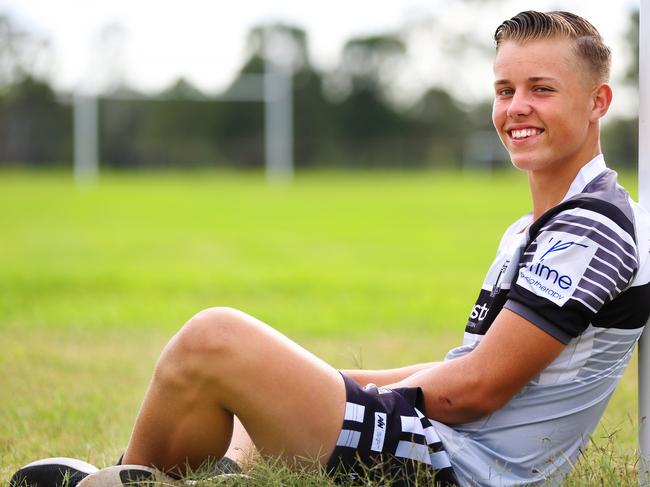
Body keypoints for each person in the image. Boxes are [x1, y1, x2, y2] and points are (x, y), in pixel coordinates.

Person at [11, 10, 650, 487]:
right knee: (242, 409)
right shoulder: (538, 226)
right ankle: (169, 476)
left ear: (598, 102)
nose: (517, 108)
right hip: (450, 445)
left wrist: (338, 399)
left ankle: (125, 476)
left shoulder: (591, 229)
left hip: (466, 468)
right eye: (504, 89)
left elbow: (473, 391)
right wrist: (323, 387)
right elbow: (466, 366)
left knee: (215, 339)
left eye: (541, 88)